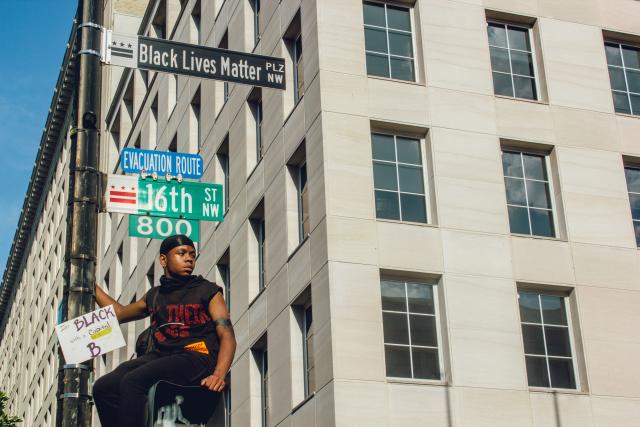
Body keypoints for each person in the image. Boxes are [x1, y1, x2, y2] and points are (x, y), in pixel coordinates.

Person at [92, 234, 236, 427]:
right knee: (104, 386)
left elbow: (227, 334)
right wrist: (90, 285)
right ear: (163, 260)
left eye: (192, 255)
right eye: (181, 253)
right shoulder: (155, 295)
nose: (189, 259)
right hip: (162, 355)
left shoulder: (207, 290)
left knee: (133, 380)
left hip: (197, 355)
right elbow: (119, 313)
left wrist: (219, 374)